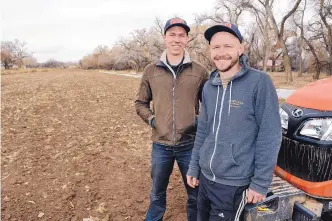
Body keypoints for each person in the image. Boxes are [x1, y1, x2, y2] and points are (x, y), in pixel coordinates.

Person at [186, 23, 282, 221]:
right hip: (205, 178)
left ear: (241, 48)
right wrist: (195, 166)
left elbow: (270, 134)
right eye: (216, 47)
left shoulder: (259, 83)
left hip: (234, 184)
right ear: (210, 51)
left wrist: (260, 182)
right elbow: (203, 131)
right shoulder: (208, 87)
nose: (221, 53)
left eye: (228, 46)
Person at [135, 17, 209, 221]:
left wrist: (197, 121)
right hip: (161, 144)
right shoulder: (151, 71)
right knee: (157, 193)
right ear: (164, 38)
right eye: (172, 34)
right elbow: (140, 103)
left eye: (181, 35)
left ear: (187, 39)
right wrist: (152, 120)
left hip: (191, 145)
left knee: (195, 193)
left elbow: (211, 106)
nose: (176, 39)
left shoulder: (200, 71)